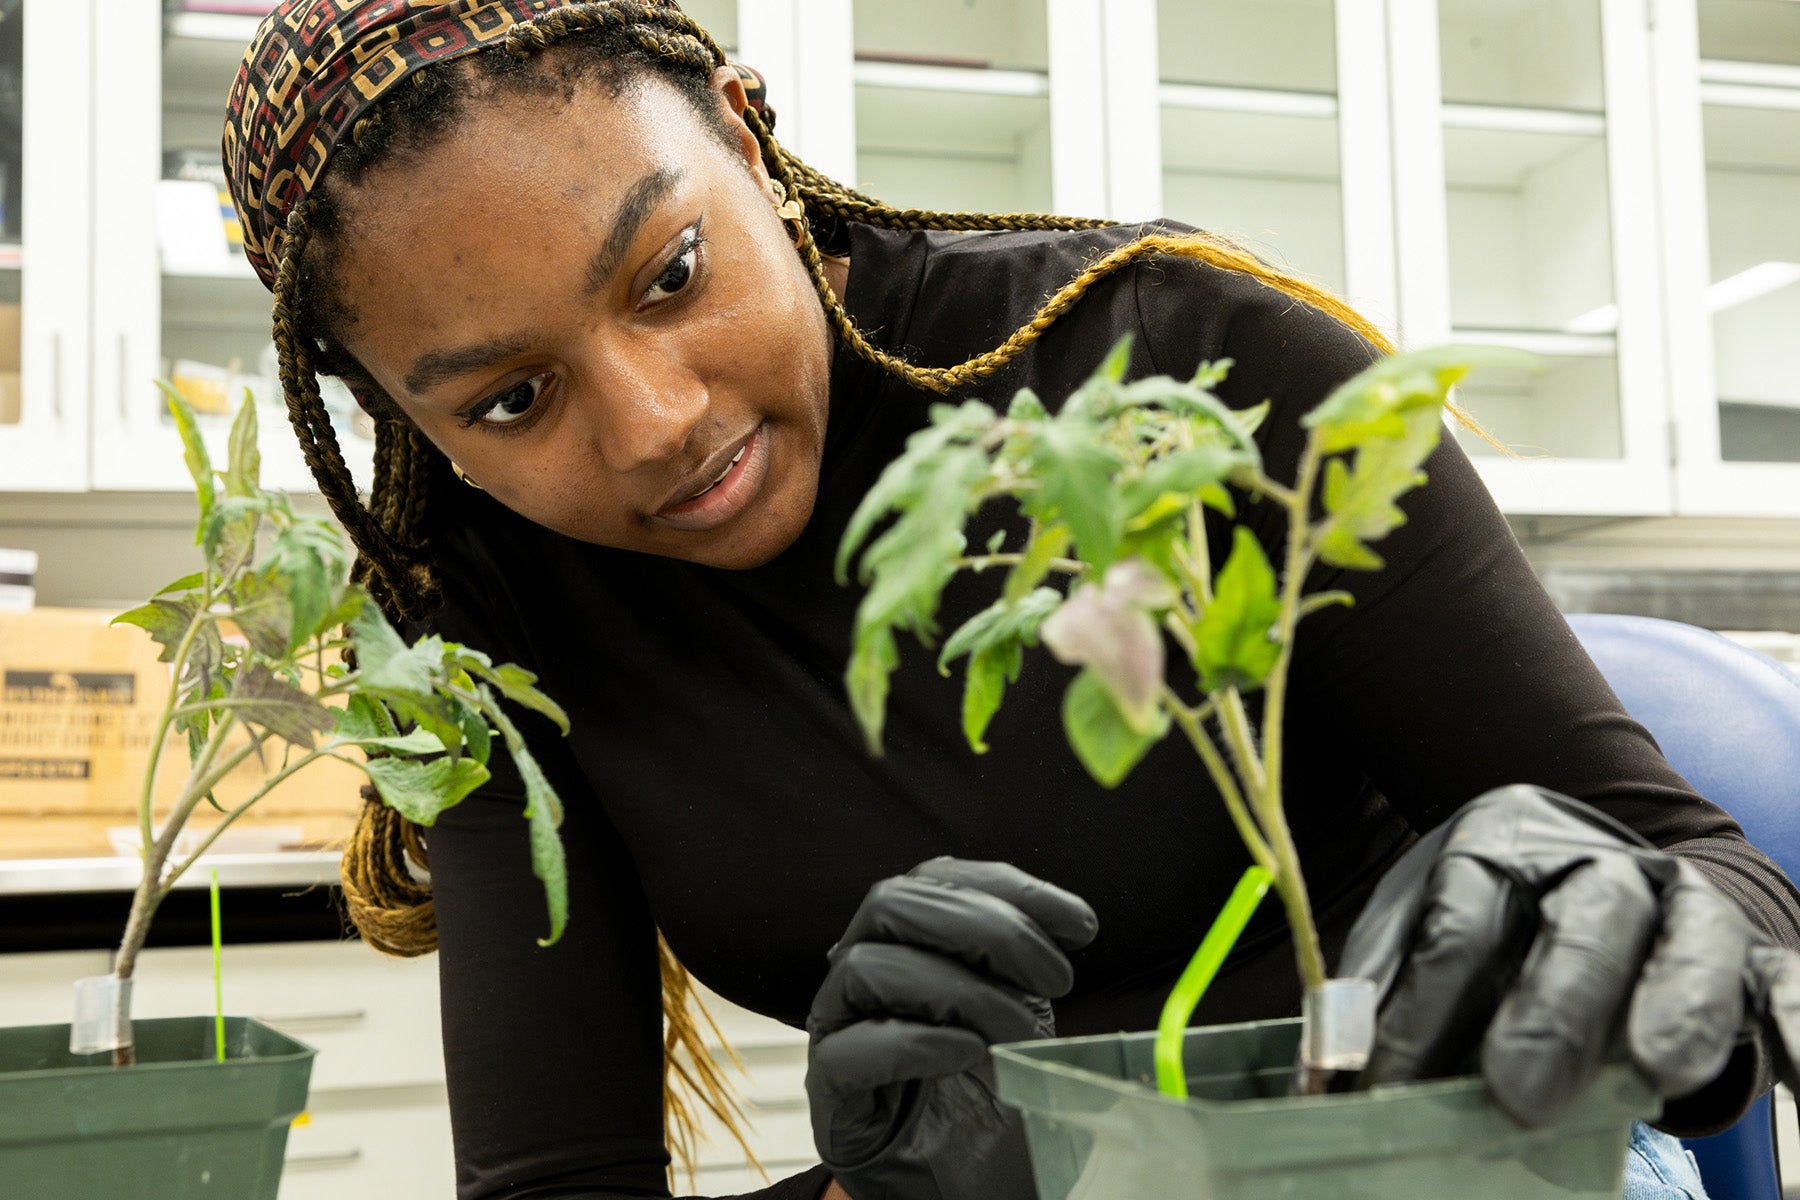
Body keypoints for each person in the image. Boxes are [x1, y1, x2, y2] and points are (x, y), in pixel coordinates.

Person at [223, 3, 1800, 1199]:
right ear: (389, 411)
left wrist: (1647, 915)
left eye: (672, 274)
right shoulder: (494, 634)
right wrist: (868, 1186)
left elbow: (1720, 878)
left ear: (747, 136)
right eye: (509, 401)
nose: (657, 424)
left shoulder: (1187, 363)